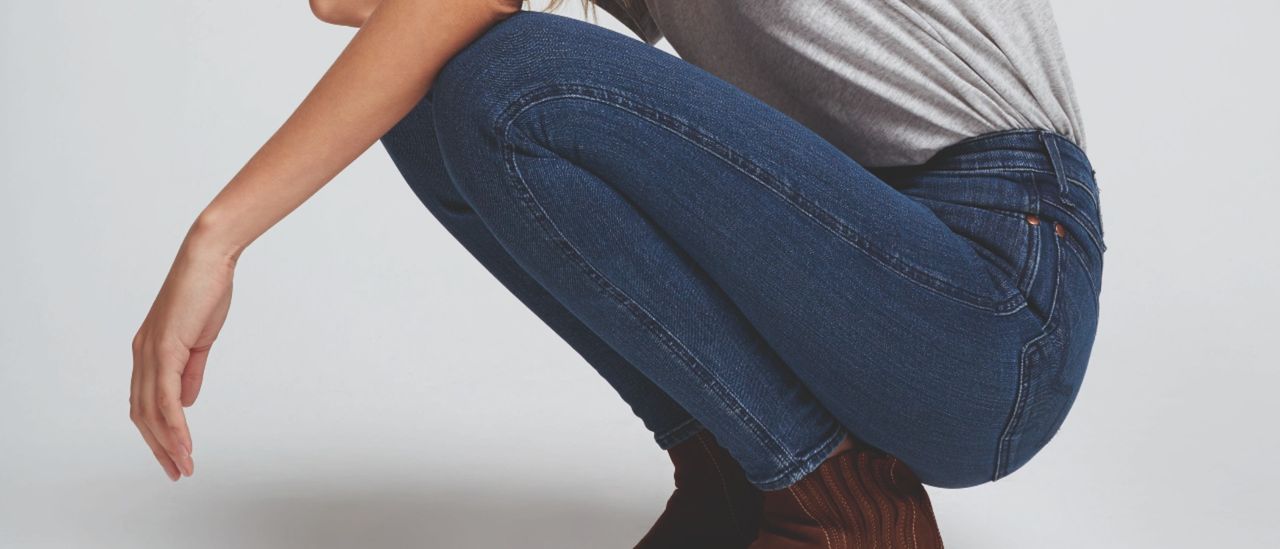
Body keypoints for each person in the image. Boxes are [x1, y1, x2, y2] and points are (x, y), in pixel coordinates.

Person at [129, 0, 1106, 547]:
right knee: (434, 96)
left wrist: (215, 238)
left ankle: (843, 511)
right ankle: (746, 482)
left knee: (514, 80)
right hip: (855, 261)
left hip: (993, 297)